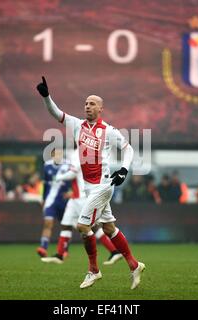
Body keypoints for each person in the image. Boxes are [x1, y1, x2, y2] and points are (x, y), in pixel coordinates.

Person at [36, 76, 145, 290]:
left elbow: (128, 149)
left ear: (101, 108)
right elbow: (55, 113)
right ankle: (134, 265)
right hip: (89, 187)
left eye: (92, 103)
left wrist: (123, 169)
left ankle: (93, 270)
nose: (87, 106)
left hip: (103, 185)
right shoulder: (77, 125)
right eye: (85, 103)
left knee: (83, 225)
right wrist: (46, 97)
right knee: (109, 227)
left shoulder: (109, 131)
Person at [41, 148, 123, 265]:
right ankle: (60, 255)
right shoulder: (85, 151)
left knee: (93, 227)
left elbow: (73, 172)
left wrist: (58, 178)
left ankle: (114, 251)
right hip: (75, 197)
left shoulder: (78, 152)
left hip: (81, 197)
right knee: (66, 225)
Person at [36, 148, 70, 258]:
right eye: (57, 154)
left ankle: (64, 249)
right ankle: (43, 247)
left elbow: (72, 181)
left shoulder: (67, 165)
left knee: (65, 226)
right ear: (52, 155)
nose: (59, 156)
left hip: (63, 201)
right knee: (48, 223)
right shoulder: (47, 166)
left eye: (60, 153)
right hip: (51, 201)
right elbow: (45, 184)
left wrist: (71, 192)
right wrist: (43, 198)